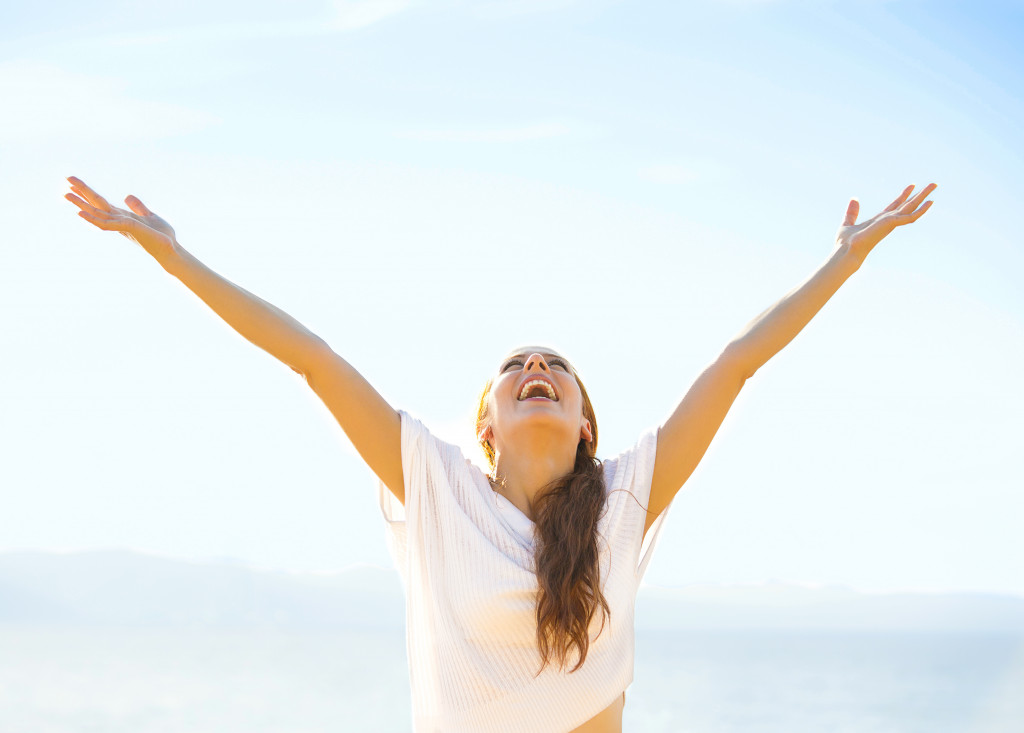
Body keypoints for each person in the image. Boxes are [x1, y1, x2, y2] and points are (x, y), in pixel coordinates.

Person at [64, 176, 936, 732]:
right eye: (515, 365)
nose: (536, 368)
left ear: (587, 421)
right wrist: (177, 258)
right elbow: (312, 357)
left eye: (557, 364)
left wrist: (843, 262)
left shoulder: (627, 497)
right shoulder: (434, 483)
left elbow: (735, 363)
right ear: (484, 424)